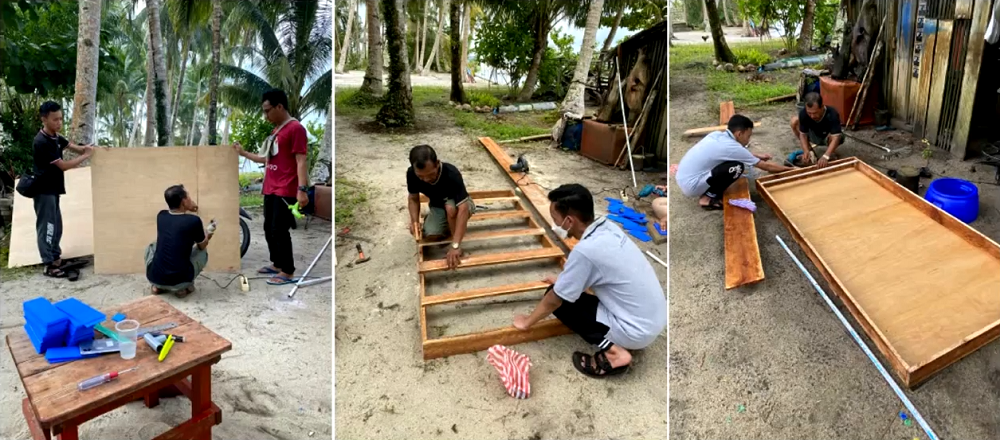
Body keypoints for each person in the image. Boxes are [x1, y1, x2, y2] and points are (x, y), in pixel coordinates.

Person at [513, 184, 667, 378]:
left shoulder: (586, 251)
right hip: (654, 318)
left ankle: (615, 353)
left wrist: (527, 322)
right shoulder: (608, 227)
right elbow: (597, 270)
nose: (554, 224)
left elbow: (554, 299)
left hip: (636, 332)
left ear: (569, 221)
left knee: (561, 304)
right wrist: (564, 281)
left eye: (555, 219)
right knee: (565, 290)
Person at [234, 89, 310, 285]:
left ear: (279, 106)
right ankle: (276, 263)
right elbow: (265, 158)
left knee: (279, 230)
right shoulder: (276, 131)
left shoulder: (296, 129)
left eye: (268, 111)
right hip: (270, 188)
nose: (265, 115)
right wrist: (242, 152)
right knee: (268, 228)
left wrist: (302, 190)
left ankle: (288, 271)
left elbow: (301, 161)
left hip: (286, 189)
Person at [675, 114, 795, 210]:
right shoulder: (731, 147)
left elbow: (734, 153)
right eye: (748, 136)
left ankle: (708, 190)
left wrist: (757, 155)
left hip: (683, 178)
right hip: (692, 186)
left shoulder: (717, 135)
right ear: (739, 133)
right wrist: (791, 170)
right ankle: (707, 199)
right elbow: (765, 166)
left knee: (731, 164)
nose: (749, 139)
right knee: (737, 167)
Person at [32, 101, 94, 278]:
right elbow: (63, 166)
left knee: (57, 225)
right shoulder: (41, 141)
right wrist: (86, 156)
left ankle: (55, 257)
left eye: (60, 119)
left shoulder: (56, 137)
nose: (59, 123)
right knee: (48, 227)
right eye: (55, 120)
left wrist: (88, 149)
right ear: (44, 119)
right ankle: (48, 263)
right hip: (44, 190)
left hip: (54, 189)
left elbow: (75, 148)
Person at [405, 145, 475, 270]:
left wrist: (455, 245)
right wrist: (414, 222)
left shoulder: (451, 173)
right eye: (421, 176)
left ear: (437, 163)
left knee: (451, 209)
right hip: (437, 205)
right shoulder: (411, 174)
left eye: (430, 174)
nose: (426, 179)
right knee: (431, 234)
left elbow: (463, 208)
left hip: (458, 204)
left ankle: (455, 237)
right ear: (414, 169)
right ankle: (445, 223)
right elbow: (413, 199)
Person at [145, 185, 213, 298]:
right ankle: (182, 288)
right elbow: (202, 246)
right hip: (180, 280)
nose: (190, 198)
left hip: (154, 277)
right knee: (202, 251)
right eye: (188, 197)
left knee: (152, 246)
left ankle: (157, 287)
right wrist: (209, 234)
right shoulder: (194, 221)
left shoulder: (161, 215)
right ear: (183, 201)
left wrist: (189, 207)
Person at [790, 92, 844, 168]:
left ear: (822, 107)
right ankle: (811, 153)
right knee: (794, 122)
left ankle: (830, 153)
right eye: (809, 113)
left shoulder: (832, 113)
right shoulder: (803, 113)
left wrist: (826, 156)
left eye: (815, 113)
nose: (812, 116)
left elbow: (836, 137)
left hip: (827, 136)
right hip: (814, 134)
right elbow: (803, 134)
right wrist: (806, 150)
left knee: (838, 136)